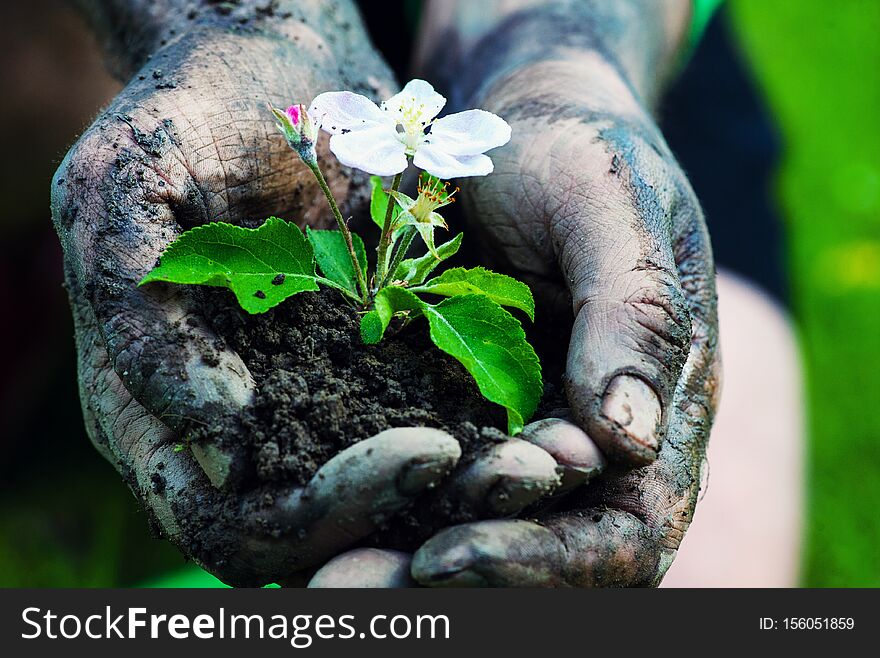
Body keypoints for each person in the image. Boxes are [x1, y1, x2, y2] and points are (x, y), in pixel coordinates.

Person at [53, 0, 802, 587]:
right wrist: (232, 26)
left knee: (705, 555)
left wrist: (546, 60)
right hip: (143, 34)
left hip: (612, 34)